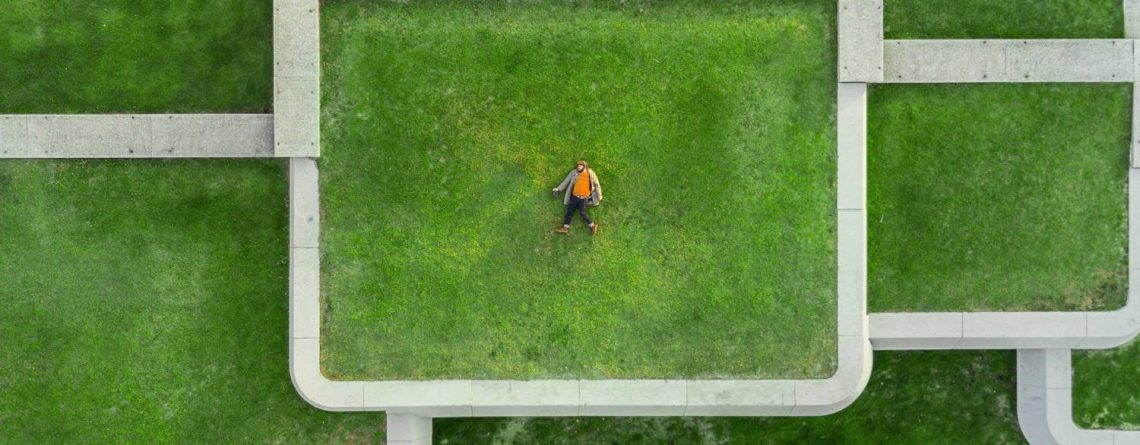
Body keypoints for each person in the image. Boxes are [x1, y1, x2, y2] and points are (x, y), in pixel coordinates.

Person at [552, 159, 603, 235]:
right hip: (574, 196)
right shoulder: (574, 173)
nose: (578, 167)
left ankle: (592, 226)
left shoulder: (591, 174)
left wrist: (599, 195)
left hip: (584, 198)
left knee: (582, 212)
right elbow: (566, 181)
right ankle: (565, 228)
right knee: (569, 211)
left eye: (580, 165)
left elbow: (597, 184)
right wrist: (559, 189)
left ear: (584, 166)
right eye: (578, 165)